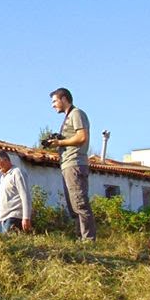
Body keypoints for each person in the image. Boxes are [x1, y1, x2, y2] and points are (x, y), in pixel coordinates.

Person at [47, 87, 96, 241]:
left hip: (75, 163)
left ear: (64, 99)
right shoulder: (69, 117)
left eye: (54, 101)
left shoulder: (77, 113)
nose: (53, 105)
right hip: (68, 164)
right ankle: (81, 239)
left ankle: (89, 241)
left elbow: (82, 137)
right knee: (73, 206)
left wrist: (59, 142)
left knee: (80, 204)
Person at [0, 150, 32, 233]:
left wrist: (26, 218)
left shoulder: (17, 173)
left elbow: (25, 196)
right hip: (4, 220)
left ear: (5, 160)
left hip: (14, 218)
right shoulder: (3, 178)